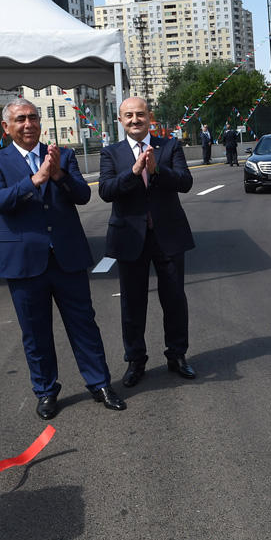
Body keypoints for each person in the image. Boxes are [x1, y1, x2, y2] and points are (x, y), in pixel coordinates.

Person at [0, 99, 126, 420]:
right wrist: (34, 180)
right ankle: (46, 391)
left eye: (33, 117)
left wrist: (58, 173)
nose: (28, 124)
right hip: (23, 262)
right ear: (7, 128)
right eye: (20, 119)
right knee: (36, 333)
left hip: (67, 258)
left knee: (84, 325)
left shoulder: (64, 156)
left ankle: (100, 383)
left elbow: (83, 196)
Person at [99, 97, 197, 386]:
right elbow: (106, 190)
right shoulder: (111, 153)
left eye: (140, 114)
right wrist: (133, 172)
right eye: (128, 115)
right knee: (132, 303)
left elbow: (185, 182)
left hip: (168, 235)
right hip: (129, 237)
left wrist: (155, 169)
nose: (134, 120)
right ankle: (136, 360)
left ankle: (177, 355)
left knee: (175, 299)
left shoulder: (170, 146)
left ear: (149, 117)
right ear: (120, 120)